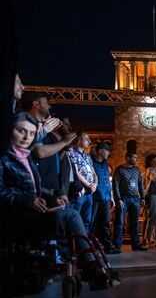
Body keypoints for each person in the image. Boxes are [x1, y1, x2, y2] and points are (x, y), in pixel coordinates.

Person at [0, 113, 109, 288]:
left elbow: (35, 189)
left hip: (37, 206)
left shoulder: (25, 158)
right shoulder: (6, 158)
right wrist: (28, 201)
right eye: (21, 131)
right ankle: (91, 266)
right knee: (72, 216)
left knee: (73, 216)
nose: (26, 137)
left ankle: (92, 265)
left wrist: (54, 198)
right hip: (18, 213)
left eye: (30, 133)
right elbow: (5, 191)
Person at [112, 152, 147, 251]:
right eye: (134, 157)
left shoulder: (137, 170)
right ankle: (117, 246)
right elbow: (115, 185)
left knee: (134, 223)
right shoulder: (119, 169)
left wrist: (143, 197)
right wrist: (118, 199)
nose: (136, 159)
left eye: (136, 157)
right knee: (120, 222)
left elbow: (140, 184)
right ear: (128, 158)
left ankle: (135, 245)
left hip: (135, 198)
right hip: (124, 198)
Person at [68, 132, 97, 231]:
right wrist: (88, 185)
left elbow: (94, 173)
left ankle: (85, 244)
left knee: (87, 221)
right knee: (76, 220)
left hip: (89, 193)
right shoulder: (72, 153)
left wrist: (95, 184)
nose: (89, 141)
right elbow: (76, 173)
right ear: (80, 139)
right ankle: (75, 244)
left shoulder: (87, 156)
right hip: (80, 192)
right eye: (87, 139)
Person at [91, 142, 116, 253]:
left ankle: (108, 247)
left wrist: (111, 197)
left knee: (105, 222)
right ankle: (91, 247)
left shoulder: (106, 164)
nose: (109, 153)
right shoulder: (91, 163)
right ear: (101, 151)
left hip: (105, 198)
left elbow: (107, 181)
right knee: (92, 223)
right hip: (94, 198)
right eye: (107, 151)